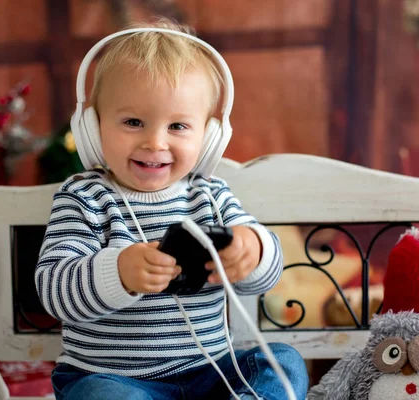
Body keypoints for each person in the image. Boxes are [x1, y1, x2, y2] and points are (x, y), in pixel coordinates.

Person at [35, 19, 308, 400]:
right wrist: (119, 272)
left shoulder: (210, 196)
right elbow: (54, 290)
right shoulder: (85, 197)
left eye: (178, 125)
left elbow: (264, 276)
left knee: (283, 362)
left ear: (209, 138)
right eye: (133, 122)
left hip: (213, 376)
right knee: (101, 395)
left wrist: (254, 250)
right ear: (93, 127)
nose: (154, 141)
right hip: (114, 379)